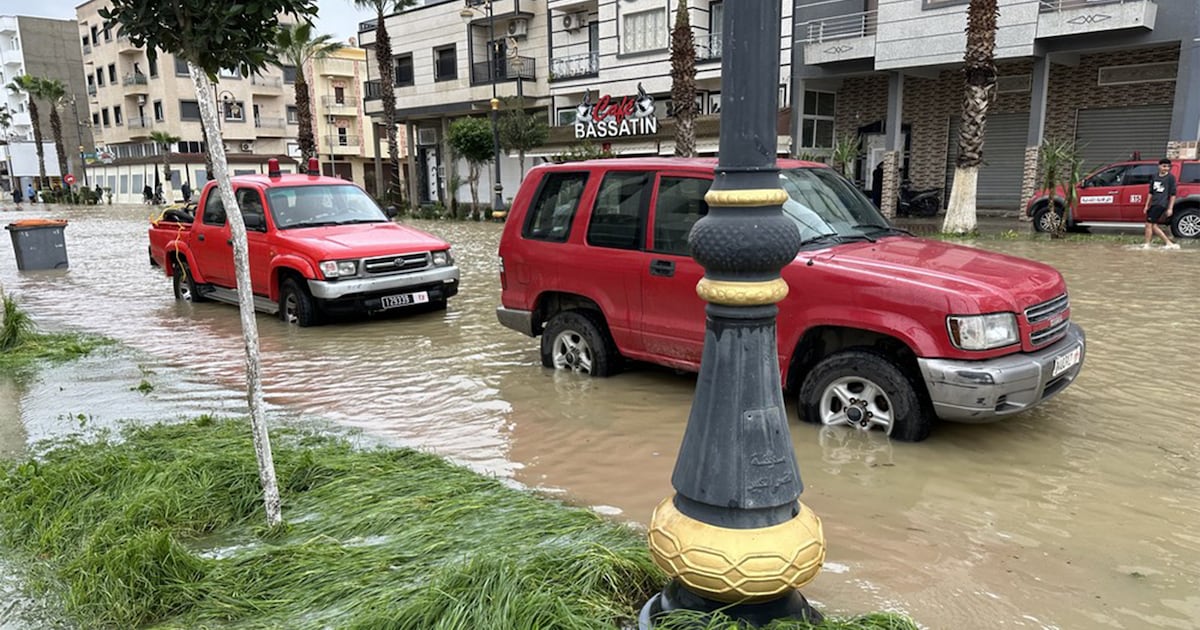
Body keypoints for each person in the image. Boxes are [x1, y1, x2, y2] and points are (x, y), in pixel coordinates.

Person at [1142, 158, 1179, 250]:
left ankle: (1147, 244)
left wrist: (1170, 208)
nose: (1166, 168)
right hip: (1153, 204)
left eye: (1168, 167)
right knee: (1153, 225)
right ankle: (1168, 243)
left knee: (1148, 224)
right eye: (1164, 166)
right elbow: (1150, 193)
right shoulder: (1154, 177)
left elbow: (1173, 194)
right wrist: (1146, 205)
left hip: (1161, 204)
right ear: (1159, 166)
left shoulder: (1170, 178)